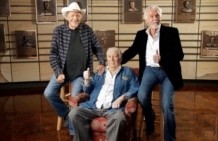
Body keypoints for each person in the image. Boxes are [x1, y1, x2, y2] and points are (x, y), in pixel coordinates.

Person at [121, 5, 184, 141]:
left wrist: (163, 58)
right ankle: (150, 117)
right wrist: (115, 61)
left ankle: (170, 139)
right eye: (152, 16)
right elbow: (131, 51)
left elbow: (180, 55)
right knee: (142, 96)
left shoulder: (172, 32)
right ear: (146, 19)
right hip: (150, 70)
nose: (155, 18)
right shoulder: (141, 35)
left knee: (167, 105)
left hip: (168, 71)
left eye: (157, 15)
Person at [43, 2, 106, 136]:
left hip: (80, 74)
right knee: (48, 93)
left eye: (77, 15)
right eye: (72, 15)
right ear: (67, 17)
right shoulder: (59, 31)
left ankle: (73, 132)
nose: (75, 18)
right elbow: (53, 54)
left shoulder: (87, 30)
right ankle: (66, 114)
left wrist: (101, 62)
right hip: (62, 72)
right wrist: (58, 72)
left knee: (74, 99)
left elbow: (98, 48)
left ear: (80, 17)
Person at [68, 47, 139, 141]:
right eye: (109, 56)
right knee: (74, 113)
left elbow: (136, 87)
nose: (112, 59)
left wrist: (123, 97)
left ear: (120, 58)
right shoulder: (100, 72)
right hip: (93, 106)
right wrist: (86, 80)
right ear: (106, 58)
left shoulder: (127, 72)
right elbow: (88, 91)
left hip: (113, 109)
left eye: (115, 56)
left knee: (119, 118)